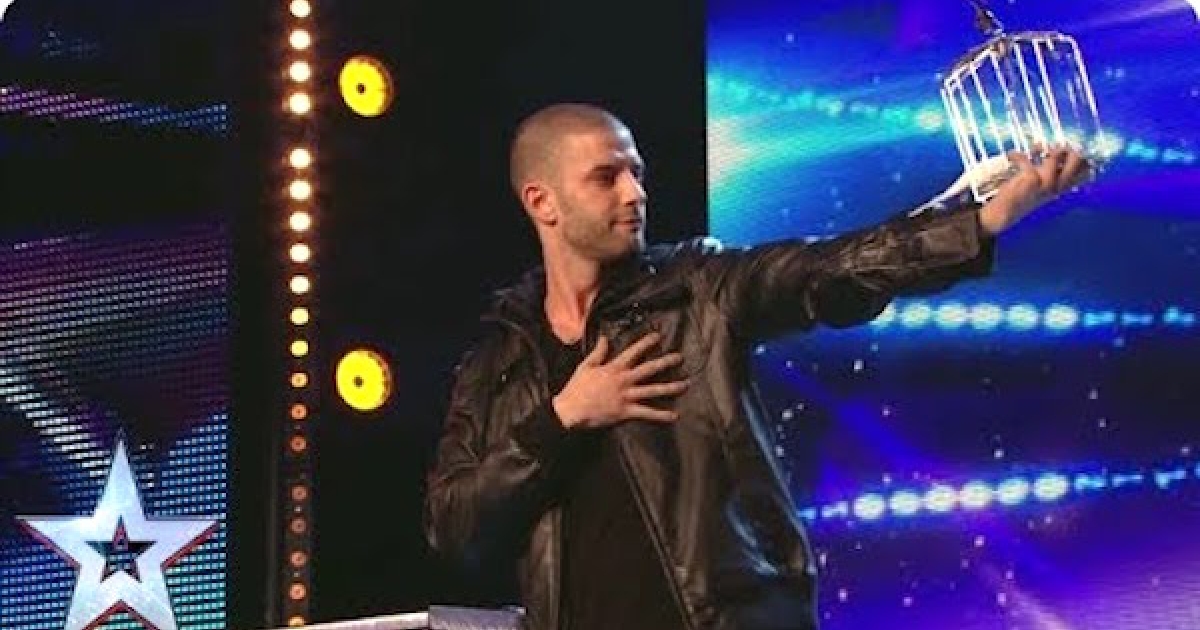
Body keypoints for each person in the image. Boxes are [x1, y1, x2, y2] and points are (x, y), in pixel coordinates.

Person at [424, 102, 1091, 630]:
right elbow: (455, 527)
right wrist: (565, 417)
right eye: (606, 177)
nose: (634, 193)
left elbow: (831, 269)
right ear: (542, 202)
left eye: (637, 173)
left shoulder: (696, 290)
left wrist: (978, 221)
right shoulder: (499, 361)